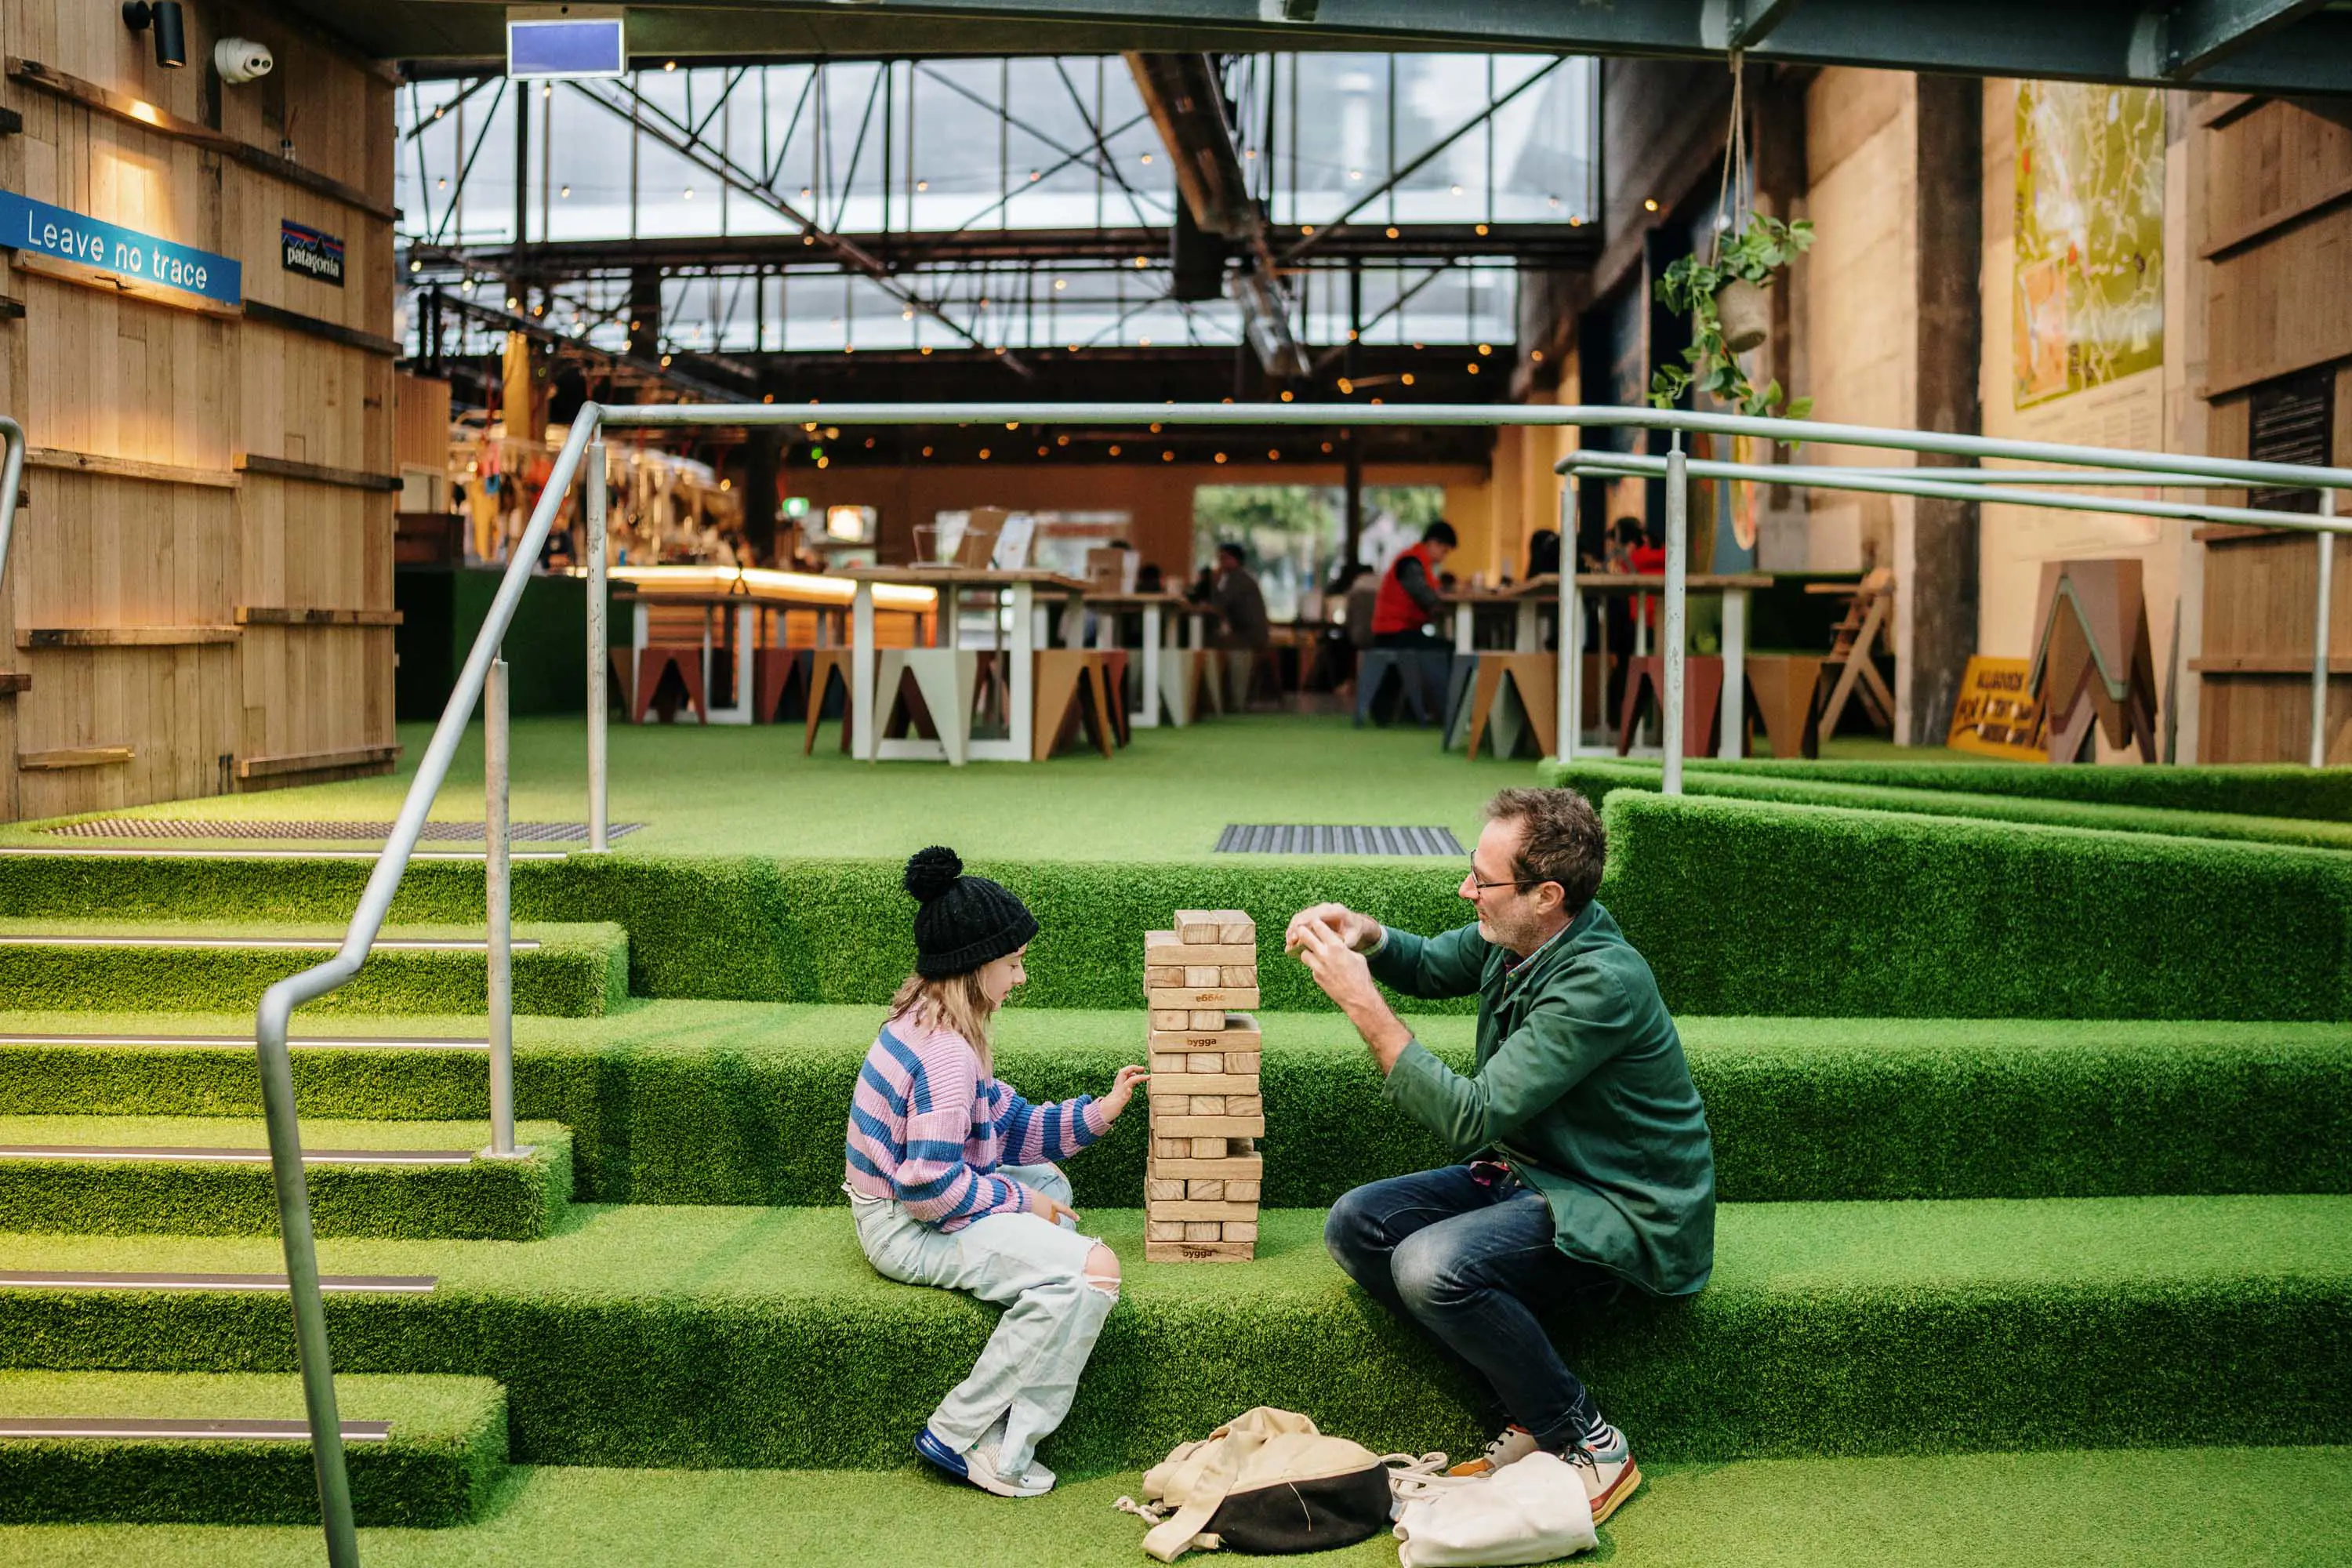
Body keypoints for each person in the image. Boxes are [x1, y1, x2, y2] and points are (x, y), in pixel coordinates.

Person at [1285, 788, 1714, 1527]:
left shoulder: (1600, 982)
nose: (1465, 890)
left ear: (1548, 895)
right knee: (1356, 1225)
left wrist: (1363, 1004)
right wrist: (1368, 934)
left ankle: (1588, 1439)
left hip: (1623, 1207)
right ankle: (1529, 1414)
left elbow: (1468, 1116)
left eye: (1482, 881)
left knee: (1431, 1266)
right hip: (1538, 1176)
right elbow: (1424, 962)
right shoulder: (1519, 937)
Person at [844, 847, 1149, 1498]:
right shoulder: (948, 1057)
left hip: (906, 1199)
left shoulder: (930, 1017)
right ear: (975, 965)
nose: (1020, 977)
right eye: (1013, 963)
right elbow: (929, 1190)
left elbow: (1007, 1125)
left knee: (1055, 1189)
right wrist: (1019, 1203)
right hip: (906, 1223)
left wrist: (1100, 1112)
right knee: (1093, 1270)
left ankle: (1042, 1275)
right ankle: (971, 1437)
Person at [1369, 520, 1457, 648]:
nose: (1444, 557)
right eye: (1444, 551)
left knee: (1446, 646)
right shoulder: (1410, 563)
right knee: (1450, 649)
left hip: (1402, 632)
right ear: (1433, 543)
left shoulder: (1419, 563)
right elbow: (1425, 597)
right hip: (1393, 634)